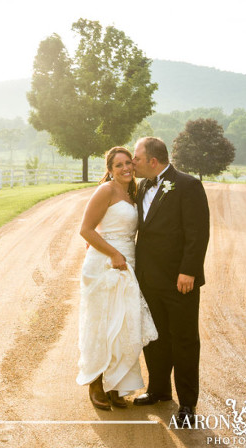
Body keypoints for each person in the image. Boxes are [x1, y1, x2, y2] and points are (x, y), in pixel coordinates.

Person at [131, 137, 210, 427]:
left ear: (153, 161)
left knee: (185, 341)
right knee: (155, 338)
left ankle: (188, 404)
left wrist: (189, 270)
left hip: (180, 282)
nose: (133, 163)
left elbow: (197, 232)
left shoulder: (188, 185)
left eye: (137, 158)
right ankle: (158, 390)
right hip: (148, 279)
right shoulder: (141, 186)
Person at [77, 146, 158, 410]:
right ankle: (96, 382)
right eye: (119, 165)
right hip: (105, 263)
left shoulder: (133, 191)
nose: (125, 168)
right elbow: (86, 230)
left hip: (127, 262)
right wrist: (112, 253)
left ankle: (115, 384)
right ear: (110, 170)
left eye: (128, 164)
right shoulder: (106, 190)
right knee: (102, 322)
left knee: (123, 324)